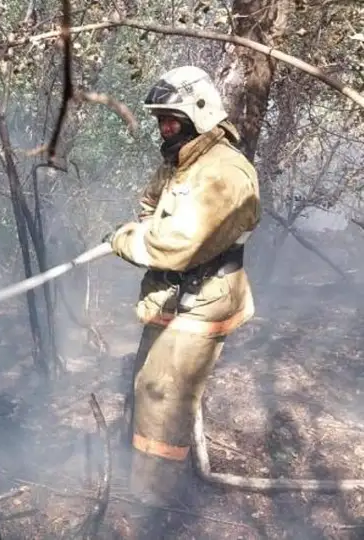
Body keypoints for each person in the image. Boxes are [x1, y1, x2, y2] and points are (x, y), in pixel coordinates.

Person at [103, 65, 261, 510]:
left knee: (162, 398)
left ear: (200, 114)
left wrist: (125, 240)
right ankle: (149, 481)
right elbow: (152, 203)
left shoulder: (224, 172)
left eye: (171, 119)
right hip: (174, 297)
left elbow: (177, 245)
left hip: (200, 302)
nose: (164, 127)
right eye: (160, 119)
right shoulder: (185, 160)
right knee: (148, 384)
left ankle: (155, 503)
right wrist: (142, 224)